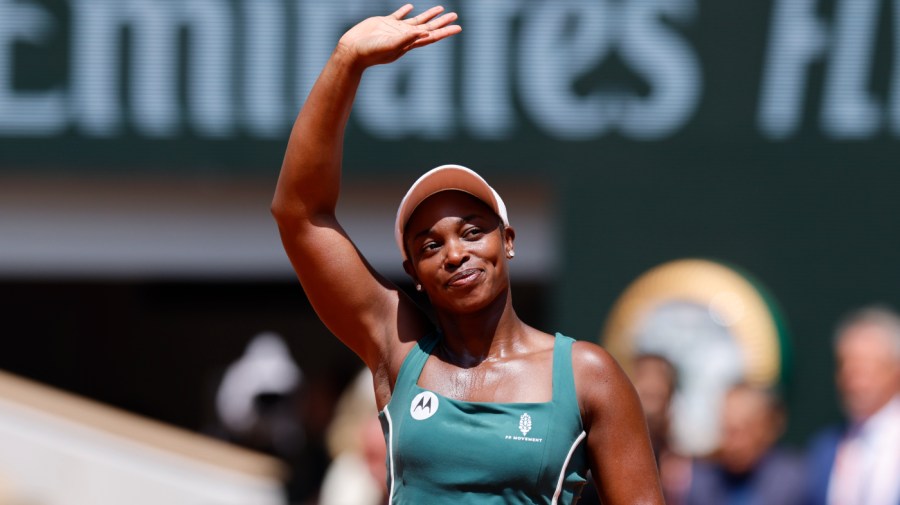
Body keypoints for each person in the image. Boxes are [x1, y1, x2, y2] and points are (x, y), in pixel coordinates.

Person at [271, 5, 663, 504]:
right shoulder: (400, 352)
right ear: (414, 273)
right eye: (431, 246)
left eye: (474, 232)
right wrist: (346, 61)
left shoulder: (587, 373)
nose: (455, 254)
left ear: (509, 241)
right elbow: (299, 215)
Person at [805, 305, 900, 505]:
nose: (853, 381)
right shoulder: (824, 448)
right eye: (844, 367)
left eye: (864, 368)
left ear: (895, 370)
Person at [683, 383, 805, 505]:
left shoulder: (791, 480)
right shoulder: (702, 478)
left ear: (766, 429)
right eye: (725, 430)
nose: (730, 444)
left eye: (738, 431)